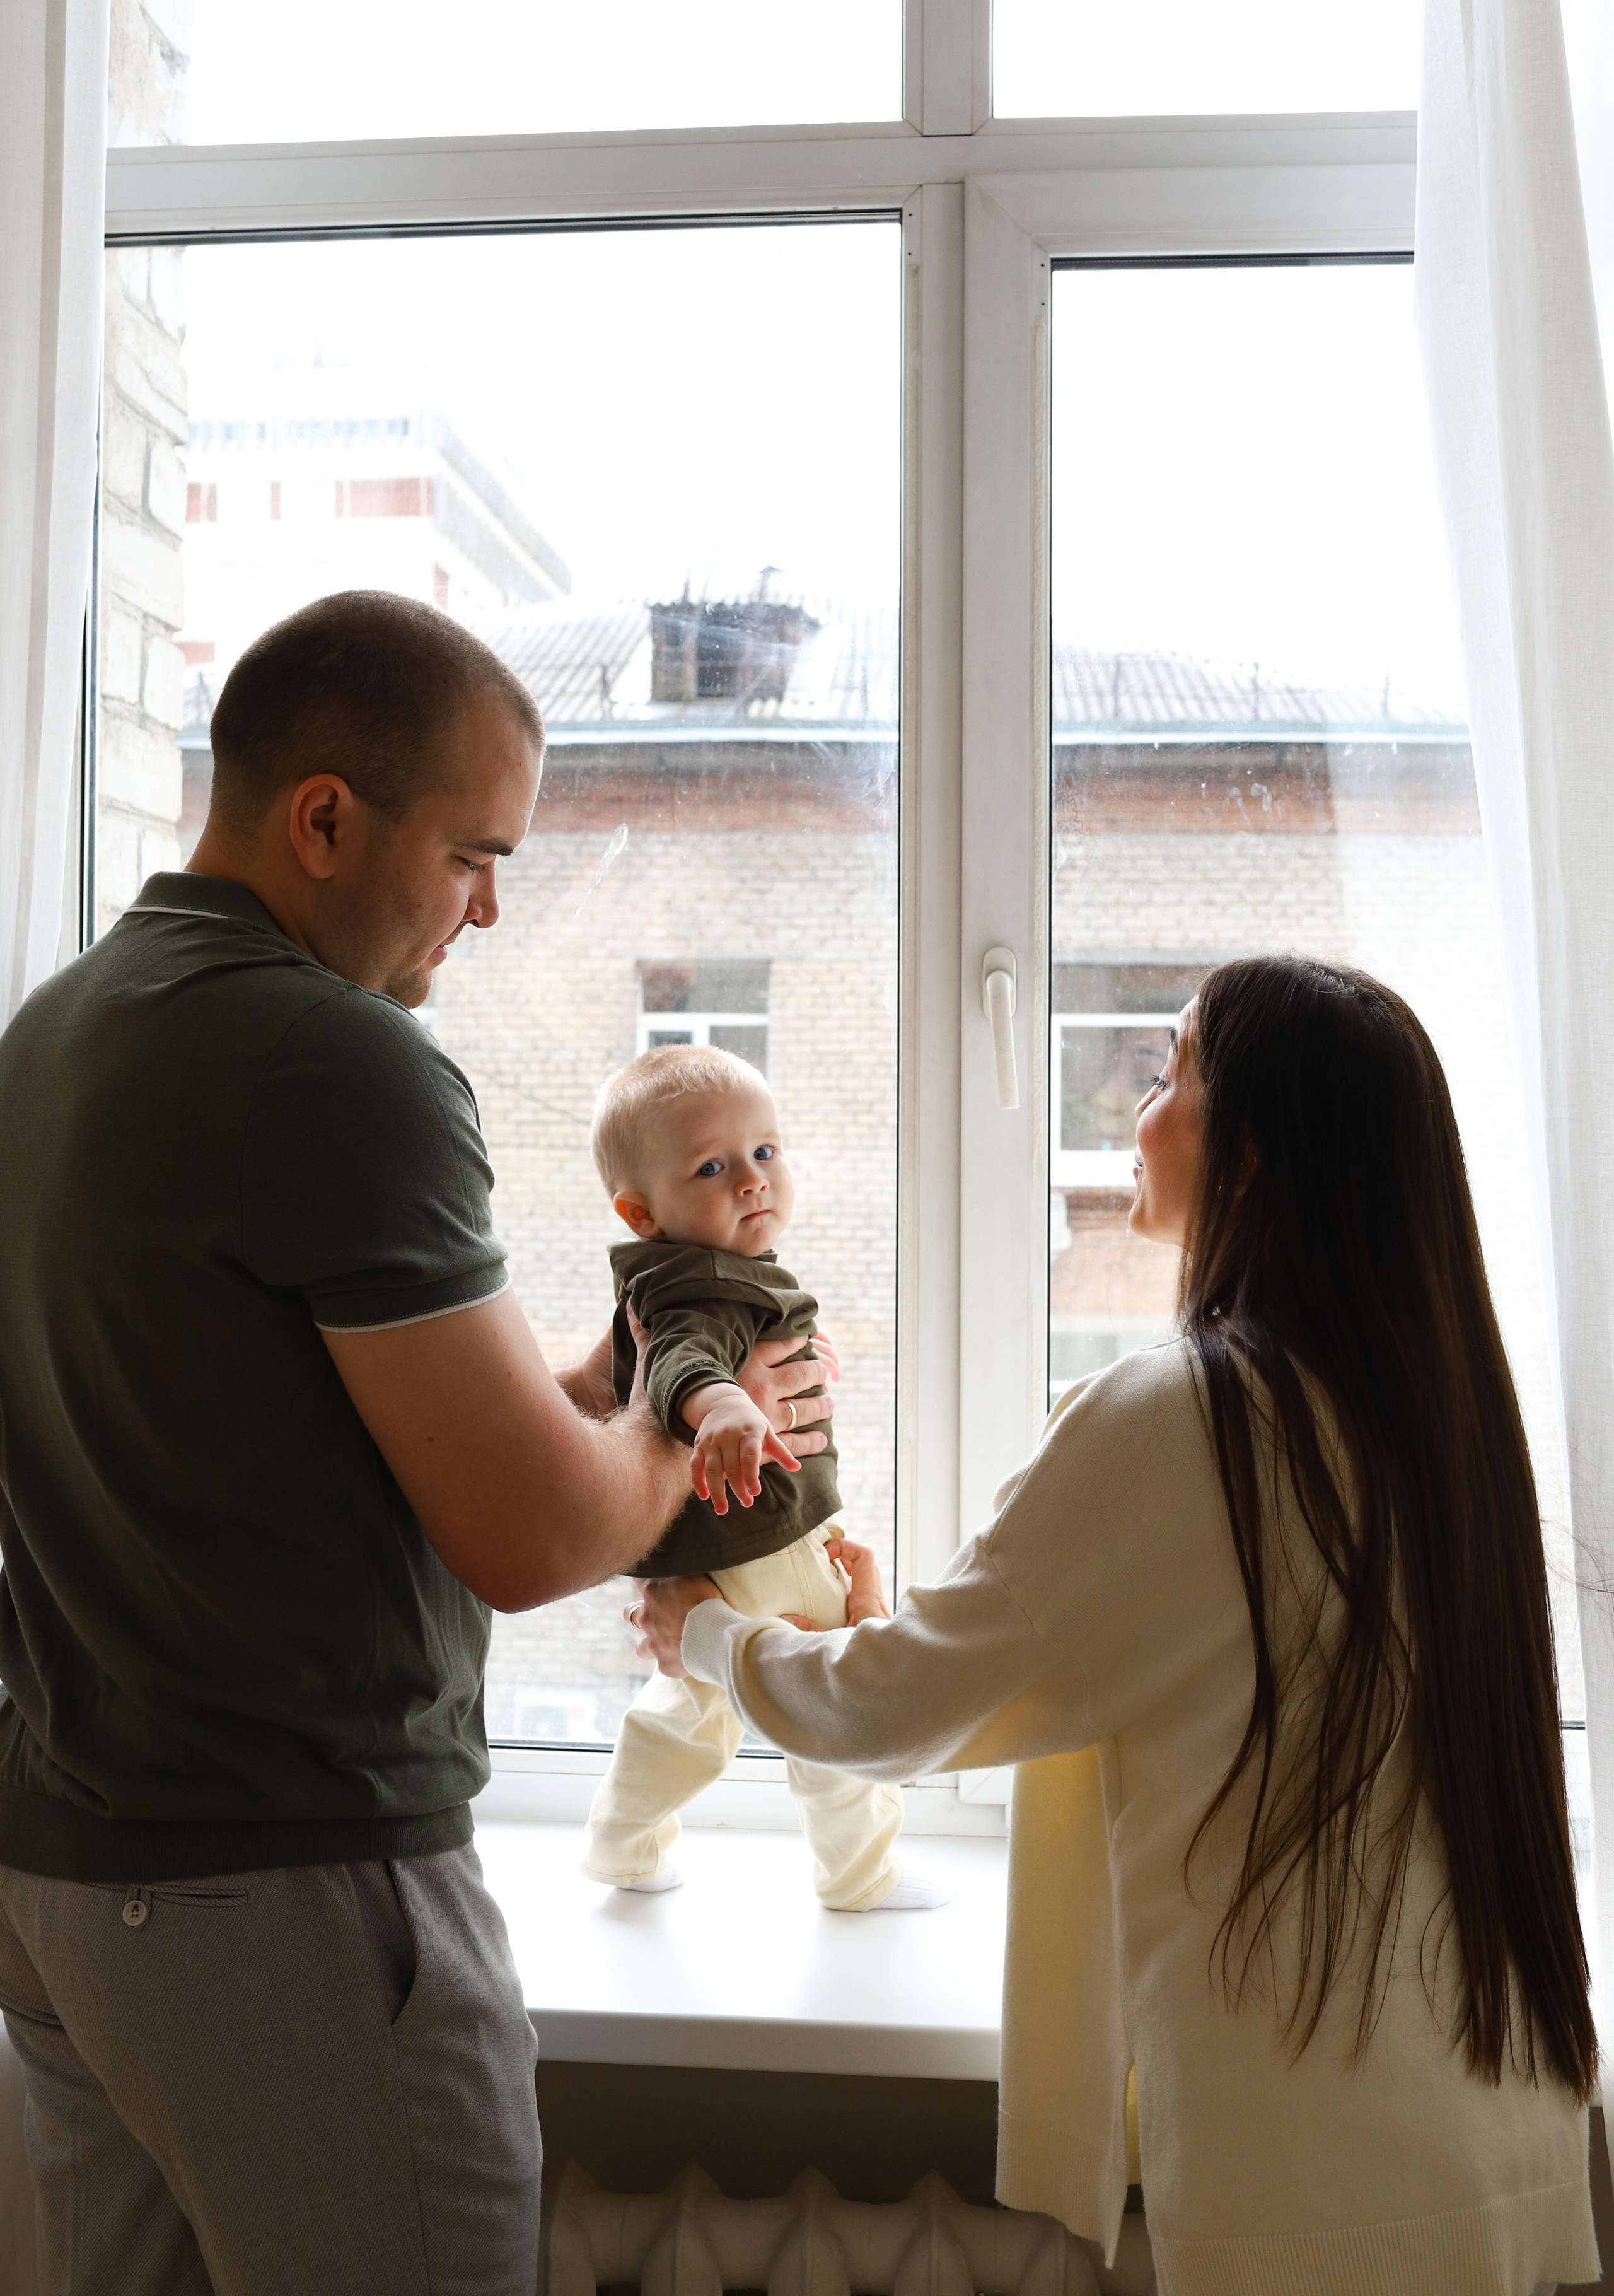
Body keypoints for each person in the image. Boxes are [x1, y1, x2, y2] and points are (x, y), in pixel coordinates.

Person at [0, 590, 833, 2296]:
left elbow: (264, 1413)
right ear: (324, 818)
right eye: (474, 854)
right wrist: (708, 1444)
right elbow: (527, 1540)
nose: (491, 908)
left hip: (73, 1883)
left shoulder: (56, 1035)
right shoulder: (339, 1058)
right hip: (289, 1890)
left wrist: (610, 1385)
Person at [635, 955, 1599, 2296]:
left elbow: (889, 1712)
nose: (1129, 1109)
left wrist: (705, 1630)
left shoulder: (1178, 1419)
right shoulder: (1434, 1424)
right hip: (1507, 2142)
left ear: (1251, 1152)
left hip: (1315, 2201)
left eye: (1164, 1073)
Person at [580, 1044, 939, 1911]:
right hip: (765, 1537)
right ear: (641, 1210)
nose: (753, 1180)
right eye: (713, 1166)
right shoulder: (689, 1288)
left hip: (722, 1552)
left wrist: (792, 1349)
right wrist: (729, 1409)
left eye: (766, 1152)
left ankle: (622, 1849)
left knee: (689, 1714)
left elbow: (701, 1347)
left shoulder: (706, 1274)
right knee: (829, 1696)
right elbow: (681, 1364)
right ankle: (863, 1875)